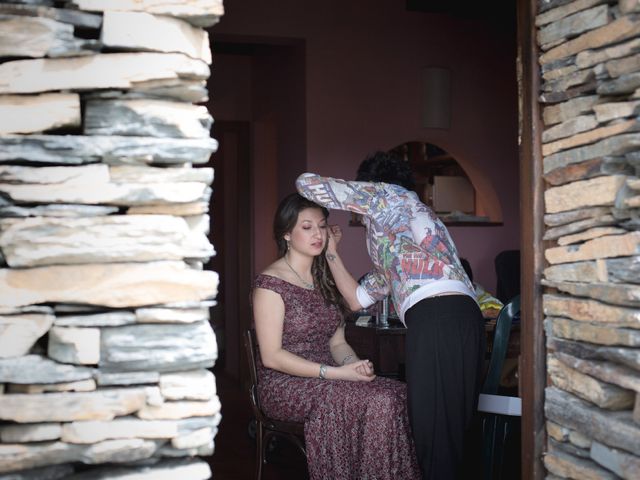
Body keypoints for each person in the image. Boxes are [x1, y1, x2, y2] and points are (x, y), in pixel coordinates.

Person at [296, 151, 486, 480]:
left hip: (438, 316)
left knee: (435, 433)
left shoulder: (387, 195)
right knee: (450, 433)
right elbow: (357, 299)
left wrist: (356, 197)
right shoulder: (398, 240)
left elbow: (306, 184)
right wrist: (331, 253)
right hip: (459, 317)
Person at [252, 192, 420, 480]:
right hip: (285, 384)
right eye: (307, 227)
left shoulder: (325, 280)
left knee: (394, 394)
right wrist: (337, 373)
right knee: (372, 401)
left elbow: (337, 342)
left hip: (331, 374)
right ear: (287, 235)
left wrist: (355, 366)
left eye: (322, 225)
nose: (318, 234)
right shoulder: (270, 284)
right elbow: (271, 357)